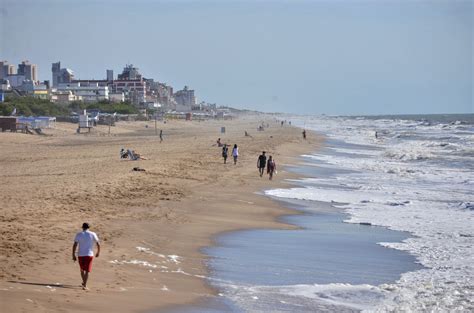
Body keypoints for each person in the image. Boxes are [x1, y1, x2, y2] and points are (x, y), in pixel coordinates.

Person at [72, 223, 100, 290]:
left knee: (82, 270)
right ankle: (85, 285)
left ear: (82, 228)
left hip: (80, 254)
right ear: (89, 227)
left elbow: (75, 245)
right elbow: (98, 243)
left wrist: (73, 254)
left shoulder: (79, 234)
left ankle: (84, 283)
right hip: (89, 254)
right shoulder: (93, 234)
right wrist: (98, 252)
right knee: (87, 270)